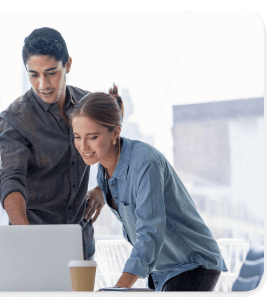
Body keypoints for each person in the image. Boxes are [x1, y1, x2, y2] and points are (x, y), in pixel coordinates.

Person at [70, 84, 228, 292]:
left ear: (115, 132)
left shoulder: (146, 163)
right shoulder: (104, 166)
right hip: (160, 268)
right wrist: (100, 190)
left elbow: (150, 233)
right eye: (77, 137)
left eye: (92, 137)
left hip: (192, 263)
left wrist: (119, 288)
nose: (83, 147)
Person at [0, 27, 105, 261]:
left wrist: (102, 188)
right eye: (33, 74)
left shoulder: (90, 105)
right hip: (32, 242)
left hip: (81, 243)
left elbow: (115, 151)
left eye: (51, 72)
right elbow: (11, 179)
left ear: (68, 65)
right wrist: (27, 236)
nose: (43, 84)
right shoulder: (14, 120)